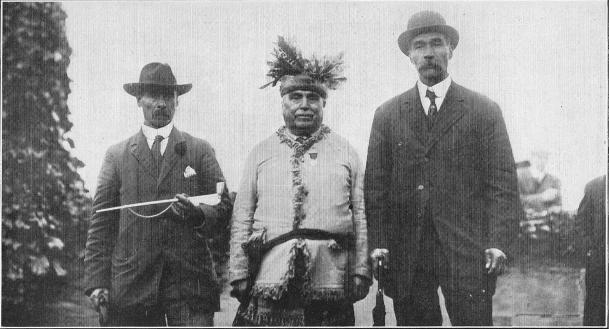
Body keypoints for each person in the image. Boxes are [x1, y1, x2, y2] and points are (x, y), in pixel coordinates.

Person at [365, 11, 521, 326]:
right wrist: (379, 241)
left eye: (436, 43)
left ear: (450, 49)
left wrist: (498, 241)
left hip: (467, 249)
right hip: (409, 251)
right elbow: (376, 187)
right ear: (410, 55)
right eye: (419, 45)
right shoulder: (388, 114)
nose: (428, 52)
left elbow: (502, 183)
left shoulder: (483, 110)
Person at [229, 36, 371, 326]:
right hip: (270, 276)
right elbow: (242, 217)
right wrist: (239, 272)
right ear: (283, 103)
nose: (304, 105)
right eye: (296, 98)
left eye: (313, 98)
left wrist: (361, 270)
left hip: (330, 275)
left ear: (323, 103)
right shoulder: (261, 153)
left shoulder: (346, 152)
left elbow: (361, 215)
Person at [83, 62, 233, 326]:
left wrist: (197, 214)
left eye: (168, 96)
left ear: (178, 101)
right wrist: (96, 283)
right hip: (131, 288)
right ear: (139, 100)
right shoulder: (117, 156)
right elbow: (101, 225)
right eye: (153, 95)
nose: (161, 104)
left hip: (189, 287)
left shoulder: (199, 150)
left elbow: (223, 207)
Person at [575, 175, 606, 326]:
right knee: (596, 312)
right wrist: (590, 250)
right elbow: (581, 223)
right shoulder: (595, 186)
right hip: (599, 263)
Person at [518, 149, 562, 215]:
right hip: (523, 220)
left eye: (545, 157)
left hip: (546, 220)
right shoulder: (519, 176)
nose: (542, 160)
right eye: (539, 156)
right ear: (531, 157)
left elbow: (558, 204)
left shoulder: (554, 180)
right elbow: (515, 200)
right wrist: (541, 197)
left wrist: (553, 209)